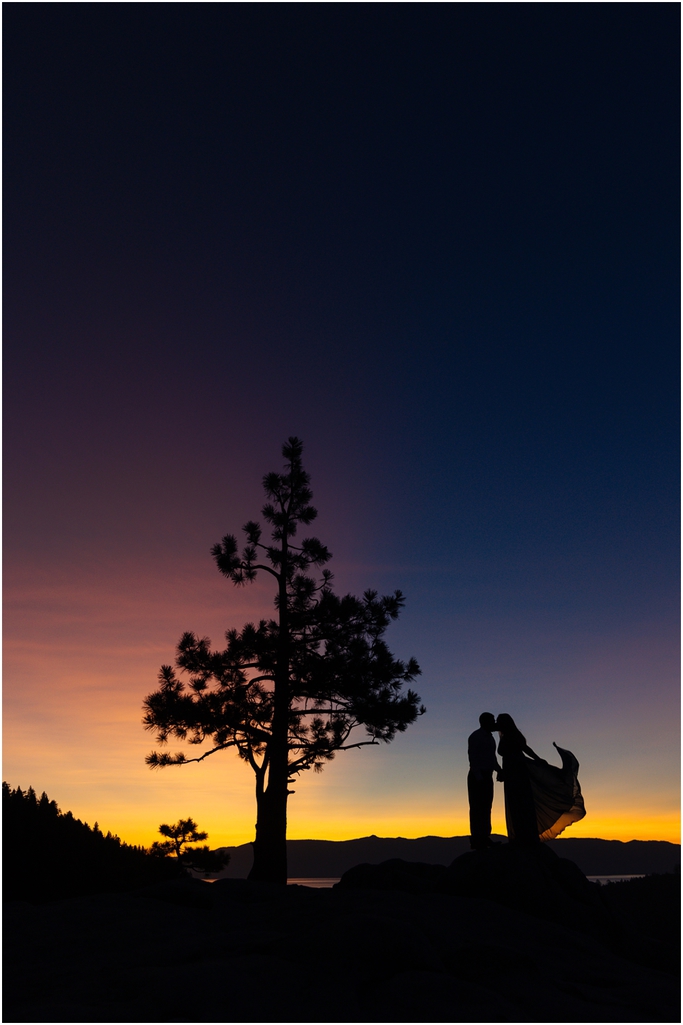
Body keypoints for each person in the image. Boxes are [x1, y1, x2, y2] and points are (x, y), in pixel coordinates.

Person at [495, 713, 586, 845]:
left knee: (520, 802)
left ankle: (525, 835)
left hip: (517, 771)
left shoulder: (512, 735)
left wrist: (538, 759)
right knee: (516, 802)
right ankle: (523, 834)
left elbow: (525, 749)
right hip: (511, 771)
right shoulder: (508, 734)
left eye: (499, 722)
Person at [467, 712, 503, 850]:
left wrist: (498, 770)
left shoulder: (490, 738)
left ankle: (484, 837)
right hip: (478, 777)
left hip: (486, 776)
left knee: (486, 807)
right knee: (477, 808)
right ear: (484, 722)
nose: (494, 723)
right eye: (492, 720)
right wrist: (479, 777)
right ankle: (477, 839)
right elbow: (473, 758)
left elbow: (491, 758)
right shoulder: (476, 737)